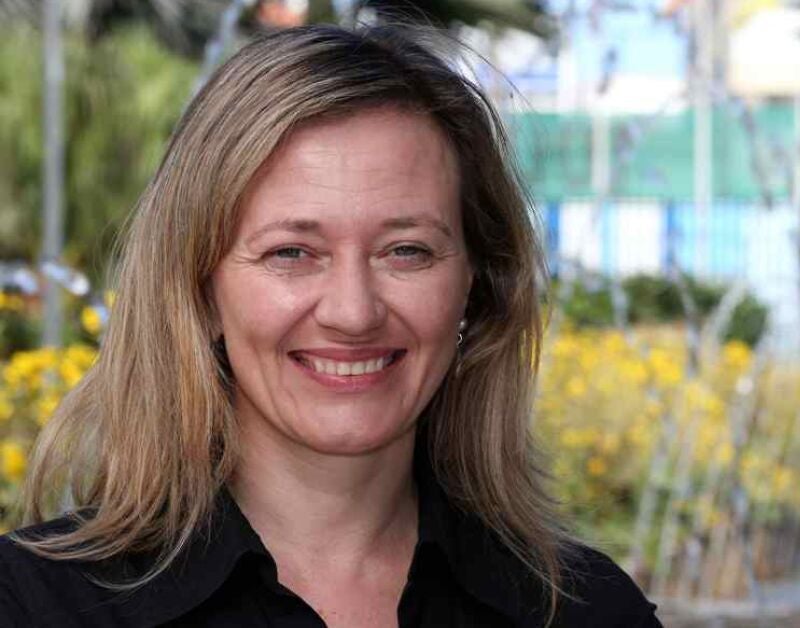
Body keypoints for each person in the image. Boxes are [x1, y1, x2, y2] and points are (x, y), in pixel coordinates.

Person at [0, 24, 660, 627]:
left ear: (477, 286)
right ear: (200, 290)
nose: (353, 312)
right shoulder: (33, 605)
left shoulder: (588, 612)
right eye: (292, 252)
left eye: (406, 251)